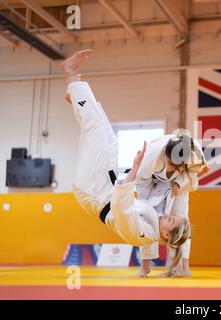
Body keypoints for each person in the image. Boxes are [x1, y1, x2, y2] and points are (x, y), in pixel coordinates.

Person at [60, 49, 191, 275]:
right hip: (107, 181)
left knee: (95, 127)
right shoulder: (154, 223)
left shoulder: (141, 234)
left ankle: (71, 74)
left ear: (166, 235)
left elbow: (122, 207)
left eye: (170, 220)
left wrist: (137, 167)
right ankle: (77, 99)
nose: (166, 215)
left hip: (93, 189)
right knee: (102, 129)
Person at [135, 132, 208, 277]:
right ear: (165, 153)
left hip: (181, 180)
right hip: (150, 181)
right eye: (170, 163)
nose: (172, 166)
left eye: (176, 164)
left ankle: (183, 266)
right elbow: (142, 184)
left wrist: (179, 183)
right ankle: (145, 266)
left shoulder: (195, 154)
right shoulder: (151, 156)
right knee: (146, 219)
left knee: (180, 217)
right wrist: (147, 208)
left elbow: (198, 173)